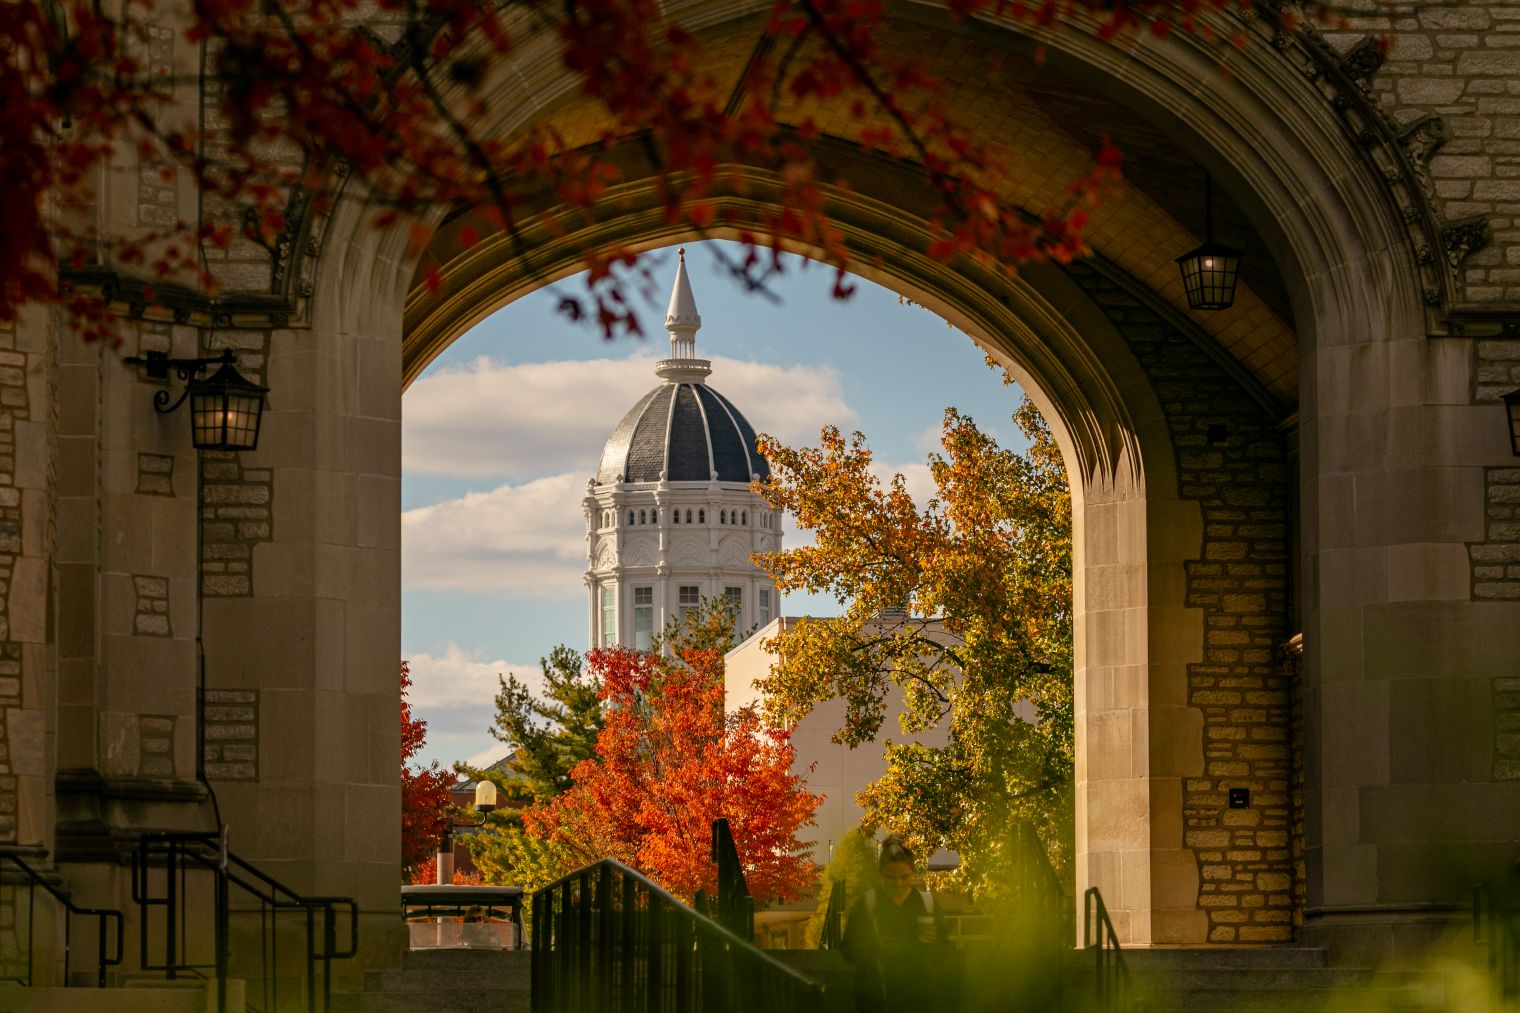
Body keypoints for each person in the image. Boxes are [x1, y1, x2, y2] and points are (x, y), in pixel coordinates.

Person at [841, 838, 951, 1013]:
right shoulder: (868, 903)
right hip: (877, 999)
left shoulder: (927, 903)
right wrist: (876, 947)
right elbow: (848, 949)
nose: (898, 883)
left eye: (904, 877)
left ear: (913, 872)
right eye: (890, 877)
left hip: (920, 998)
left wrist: (933, 941)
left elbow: (944, 951)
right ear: (881, 874)